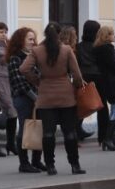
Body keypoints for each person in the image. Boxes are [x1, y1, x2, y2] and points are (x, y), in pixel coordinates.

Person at [19, 22, 85, 175]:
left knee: (48, 133)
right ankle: (75, 165)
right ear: (59, 34)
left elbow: (23, 69)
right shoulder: (67, 50)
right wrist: (76, 86)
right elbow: (77, 75)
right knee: (70, 133)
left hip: (45, 97)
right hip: (66, 96)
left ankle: (50, 166)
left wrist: (37, 80)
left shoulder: (36, 51)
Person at [6, 27, 46, 173]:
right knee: (25, 129)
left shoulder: (34, 56)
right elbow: (19, 83)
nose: (33, 41)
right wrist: (36, 98)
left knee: (38, 128)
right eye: (29, 39)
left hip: (38, 98)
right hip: (23, 98)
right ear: (20, 40)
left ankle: (36, 161)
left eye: (34, 39)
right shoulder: (15, 57)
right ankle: (24, 163)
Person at [93, 25, 115, 151]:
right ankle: (108, 139)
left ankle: (112, 140)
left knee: (113, 111)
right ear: (106, 36)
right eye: (112, 33)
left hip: (103, 83)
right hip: (112, 84)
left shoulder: (97, 49)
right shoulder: (108, 49)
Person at [77, 20, 109, 145]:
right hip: (99, 78)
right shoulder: (99, 47)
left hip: (84, 77)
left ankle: (77, 130)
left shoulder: (78, 46)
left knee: (82, 104)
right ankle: (103, 137)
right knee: (102, 106)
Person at [60, 25, 94, 142]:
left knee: (79, 107)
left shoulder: (75, 48)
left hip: (75, 81)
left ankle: (77, 131)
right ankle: (73, 133)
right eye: (74, 34)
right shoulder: (66, 48)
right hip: (69, 82)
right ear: (69, 36)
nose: (76, 36)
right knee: (72, 109)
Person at [0, 22, 17, 157]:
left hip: (10, 83)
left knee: (11, 113)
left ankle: (10, 143)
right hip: (0, 84)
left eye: (5, 32)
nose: (4, 34)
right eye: (0, 32)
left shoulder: (7, 46)